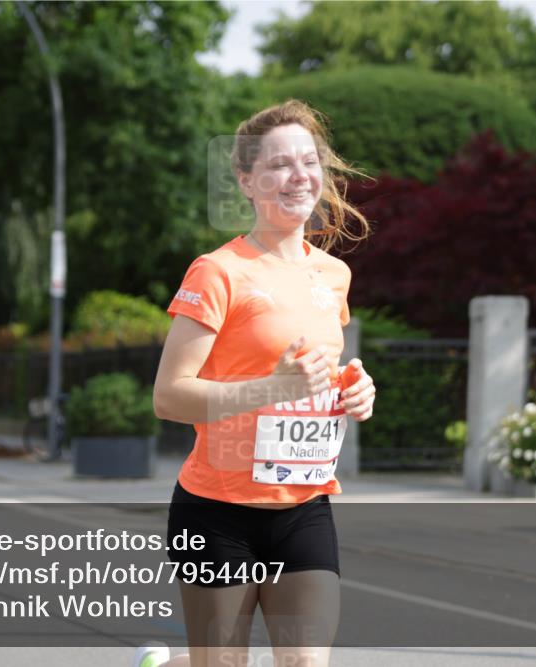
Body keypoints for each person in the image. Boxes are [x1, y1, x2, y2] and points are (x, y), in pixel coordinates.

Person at [136, 99, 376, 667]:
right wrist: (274, 387)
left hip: (304, 506)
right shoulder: (219, 271)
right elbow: (170, 396)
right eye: (278, 165)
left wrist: (355, 388)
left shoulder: (333, 274)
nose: (299, 176)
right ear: (246, 181)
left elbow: (315, 373)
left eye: (309, 161)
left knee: (306, 662)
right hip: (217, 512)